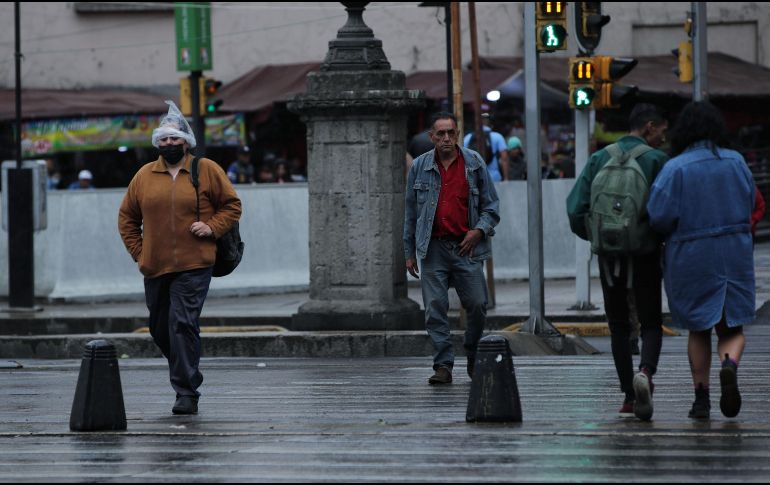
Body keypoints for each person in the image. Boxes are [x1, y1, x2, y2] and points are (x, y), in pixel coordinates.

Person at [118, 100, 241, 415]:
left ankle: (186, 391)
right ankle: (188, 369)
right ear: (157, 142)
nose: (170, 144)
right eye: (165, 139)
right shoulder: (144, 176)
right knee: (160, 329)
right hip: (155, 265)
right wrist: (139, 251)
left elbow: (231, 206)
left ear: (187, 142)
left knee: (182, 323)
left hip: (195, 263)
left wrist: (212, 227)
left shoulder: (206, 169)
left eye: (176, 138)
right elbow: (127, 218)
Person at [647, 101, 756, 420]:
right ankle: (729, 364)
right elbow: (751, 201)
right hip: (733, 252)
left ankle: (701, 399)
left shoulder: (675, 168)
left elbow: (659, 216)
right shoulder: (736, 162)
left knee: (698, 327)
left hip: (691, 255)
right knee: (732, 326)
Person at [566, 103, 669, 421]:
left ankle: (628, 396)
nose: (664, 138)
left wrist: (599, 237)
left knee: (619, 326)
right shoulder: (657, 161)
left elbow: (575, 209)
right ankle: (646, 374)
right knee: (651, 323)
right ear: (649, 127)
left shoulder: (599, 158)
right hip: (645, 253)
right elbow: (668, 210)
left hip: (609, 254)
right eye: (662, 131)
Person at [403, 111, 500, 385]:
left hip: (466, 247)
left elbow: (491, 207)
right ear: (432, 137)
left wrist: (478, 231)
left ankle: (473, 353)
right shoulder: (420, 167)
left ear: (457, 135)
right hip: (432, 248)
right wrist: (408, 251)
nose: (447, 138)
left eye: (451, 133)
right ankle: (443, 364)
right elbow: (410, 212)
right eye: (441, 134)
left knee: (478, 304)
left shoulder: (474, 163)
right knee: (434, 307)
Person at [463, 113, 509, 181]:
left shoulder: (468, 137)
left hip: (474, 178)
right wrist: (506, 178)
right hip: (494, 177)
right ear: (491, 124)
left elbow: (463, 158)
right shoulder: (498, 137)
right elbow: (504, 158)